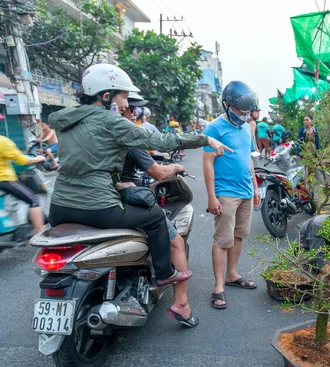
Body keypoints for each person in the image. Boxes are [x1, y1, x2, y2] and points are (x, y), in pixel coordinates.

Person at [48, 63, 231, 288]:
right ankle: (164, 273)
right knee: (154, 217)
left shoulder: (66, 120)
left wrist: (116, 184)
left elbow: (87, 160)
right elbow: (160, 141)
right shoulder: (111, 121)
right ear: (106, 96)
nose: (126, 104)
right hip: (97, 208)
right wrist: (204, 139)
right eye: (123, 97)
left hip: (58, 208)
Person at [119, 101, 197, 327]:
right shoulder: (128, 136)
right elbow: (159, 172)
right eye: (131, 106)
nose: (136, 112)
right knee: (177, 244)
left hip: (94, 199)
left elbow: (151, 153)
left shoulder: (93, 134)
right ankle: (181, 304)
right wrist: (176, 168)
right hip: (127, 198)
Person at [203, 81, 261, 309]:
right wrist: (211, 196)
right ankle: (218, 286)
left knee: (238, 235)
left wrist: (256, 187)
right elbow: (207, 163)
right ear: (227, 104)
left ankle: (232, 274)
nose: (244, 115)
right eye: (240, 111)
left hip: (246, 190)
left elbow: (248, 158)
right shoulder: (214, 128)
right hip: (225, 192)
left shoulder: (246, 127)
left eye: (247, 112)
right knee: (222, 239)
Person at [0, 136, 46, 233]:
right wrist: (38, 158)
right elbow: (22, 160)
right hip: (4, 180)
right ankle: (41, 235)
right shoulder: (3, 141)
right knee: (33, 200)